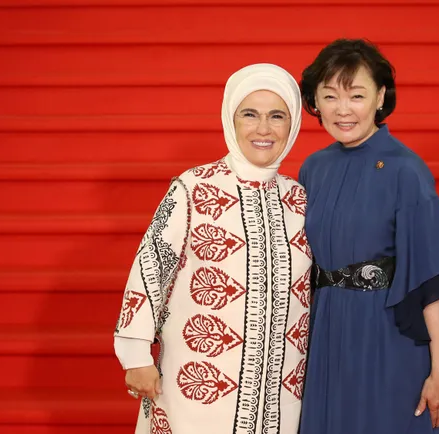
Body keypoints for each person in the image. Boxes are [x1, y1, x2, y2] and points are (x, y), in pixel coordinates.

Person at [113, 63, 312, 434]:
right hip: (196, 386)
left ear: (294, 124)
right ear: (230, 119)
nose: (264, 129)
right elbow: (152, 266)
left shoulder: (299, 198)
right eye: (249, 115)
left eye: (277, 116)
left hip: (281, 391)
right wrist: (135, 354)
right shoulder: (193, 187)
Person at [297, 39, 439, 434]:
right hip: (326, 330)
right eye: (330, 96)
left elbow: (430, 277)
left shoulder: (406, 170)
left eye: (356, 95)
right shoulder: (313, 168)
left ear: (380, 97)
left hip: (386, 332)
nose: (343, 109)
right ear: (316, 102)